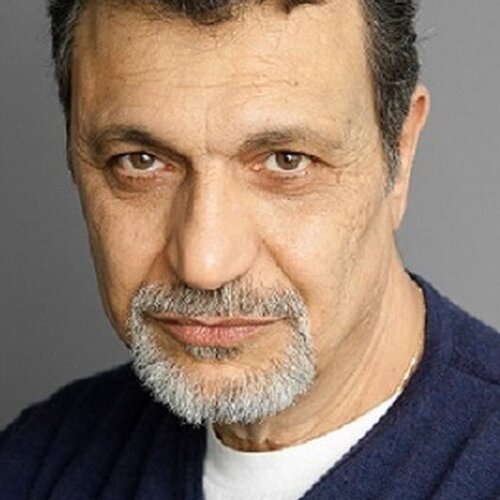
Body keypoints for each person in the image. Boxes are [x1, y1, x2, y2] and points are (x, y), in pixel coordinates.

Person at [1, 0, 499, 498]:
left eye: (287, 161)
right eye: (140, 161)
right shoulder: (35, 467)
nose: (204, 264)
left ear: (400, 151)